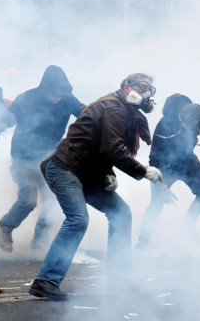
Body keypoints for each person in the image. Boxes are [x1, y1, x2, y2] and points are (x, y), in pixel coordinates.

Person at [29, 73, 163, 301]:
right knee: (78, 220)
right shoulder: (113, 107)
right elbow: (113, 148)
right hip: (65, 169)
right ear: (126, 86)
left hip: (86, 173)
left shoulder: (123, 110)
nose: (147, 94)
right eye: (143, 87)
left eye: (151, 90)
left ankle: (118, 280)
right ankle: (46, 281)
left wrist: (107, 173)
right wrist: (143, 171)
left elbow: (99, 147)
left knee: (121, 213)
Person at [0, 65, 85, 252]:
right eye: (55, 94)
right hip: (23, 159)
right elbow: (0, 123)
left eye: (61, 95)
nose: (58, 99)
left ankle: (38, 245)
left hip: (51, 160)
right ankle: (6, 226)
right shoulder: (27, 99)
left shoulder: (67, 99)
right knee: (28, 200)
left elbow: (87, 114)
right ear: (46, 89)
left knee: (53, 202)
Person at [137, 94, 200, 248]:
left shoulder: (198, 113)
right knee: (157, 203)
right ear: (180, 118)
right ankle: (142, 242)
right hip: (165, 167)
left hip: (189, 162)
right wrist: (161, 187)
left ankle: (188, 226)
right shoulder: (165, 128)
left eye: (197, 124)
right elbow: (154, 159)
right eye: (192, 125)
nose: (196, 129)